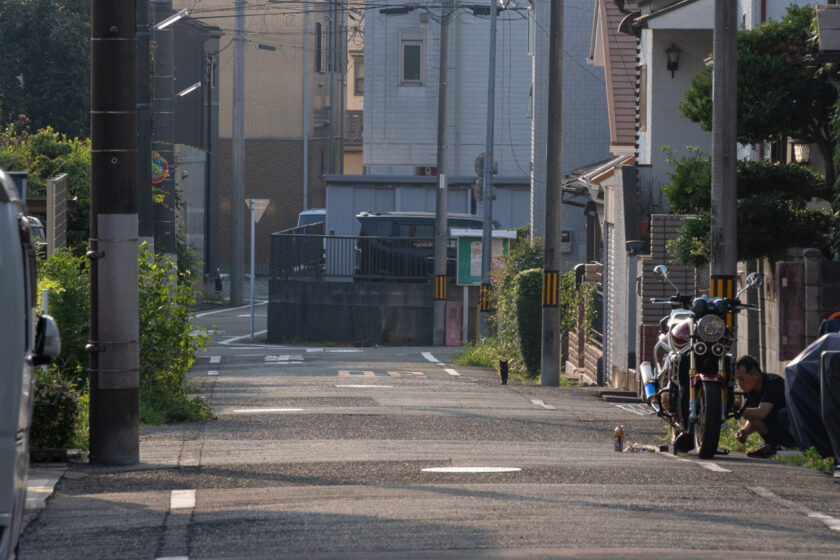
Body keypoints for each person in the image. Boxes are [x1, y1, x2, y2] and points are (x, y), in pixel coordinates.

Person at [734, 355, 797, 458]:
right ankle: (772, 446)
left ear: (755, 374)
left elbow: (761, 413)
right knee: (750, 414)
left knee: (782, 413)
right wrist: (744, 431)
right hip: (776, 430)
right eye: (737, 380)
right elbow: (753, 416)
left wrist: (735, 409)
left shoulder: (773, 382)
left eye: (742, 379)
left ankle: (797, 447)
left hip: (793, 427)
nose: (740, 384)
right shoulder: (751, 390)